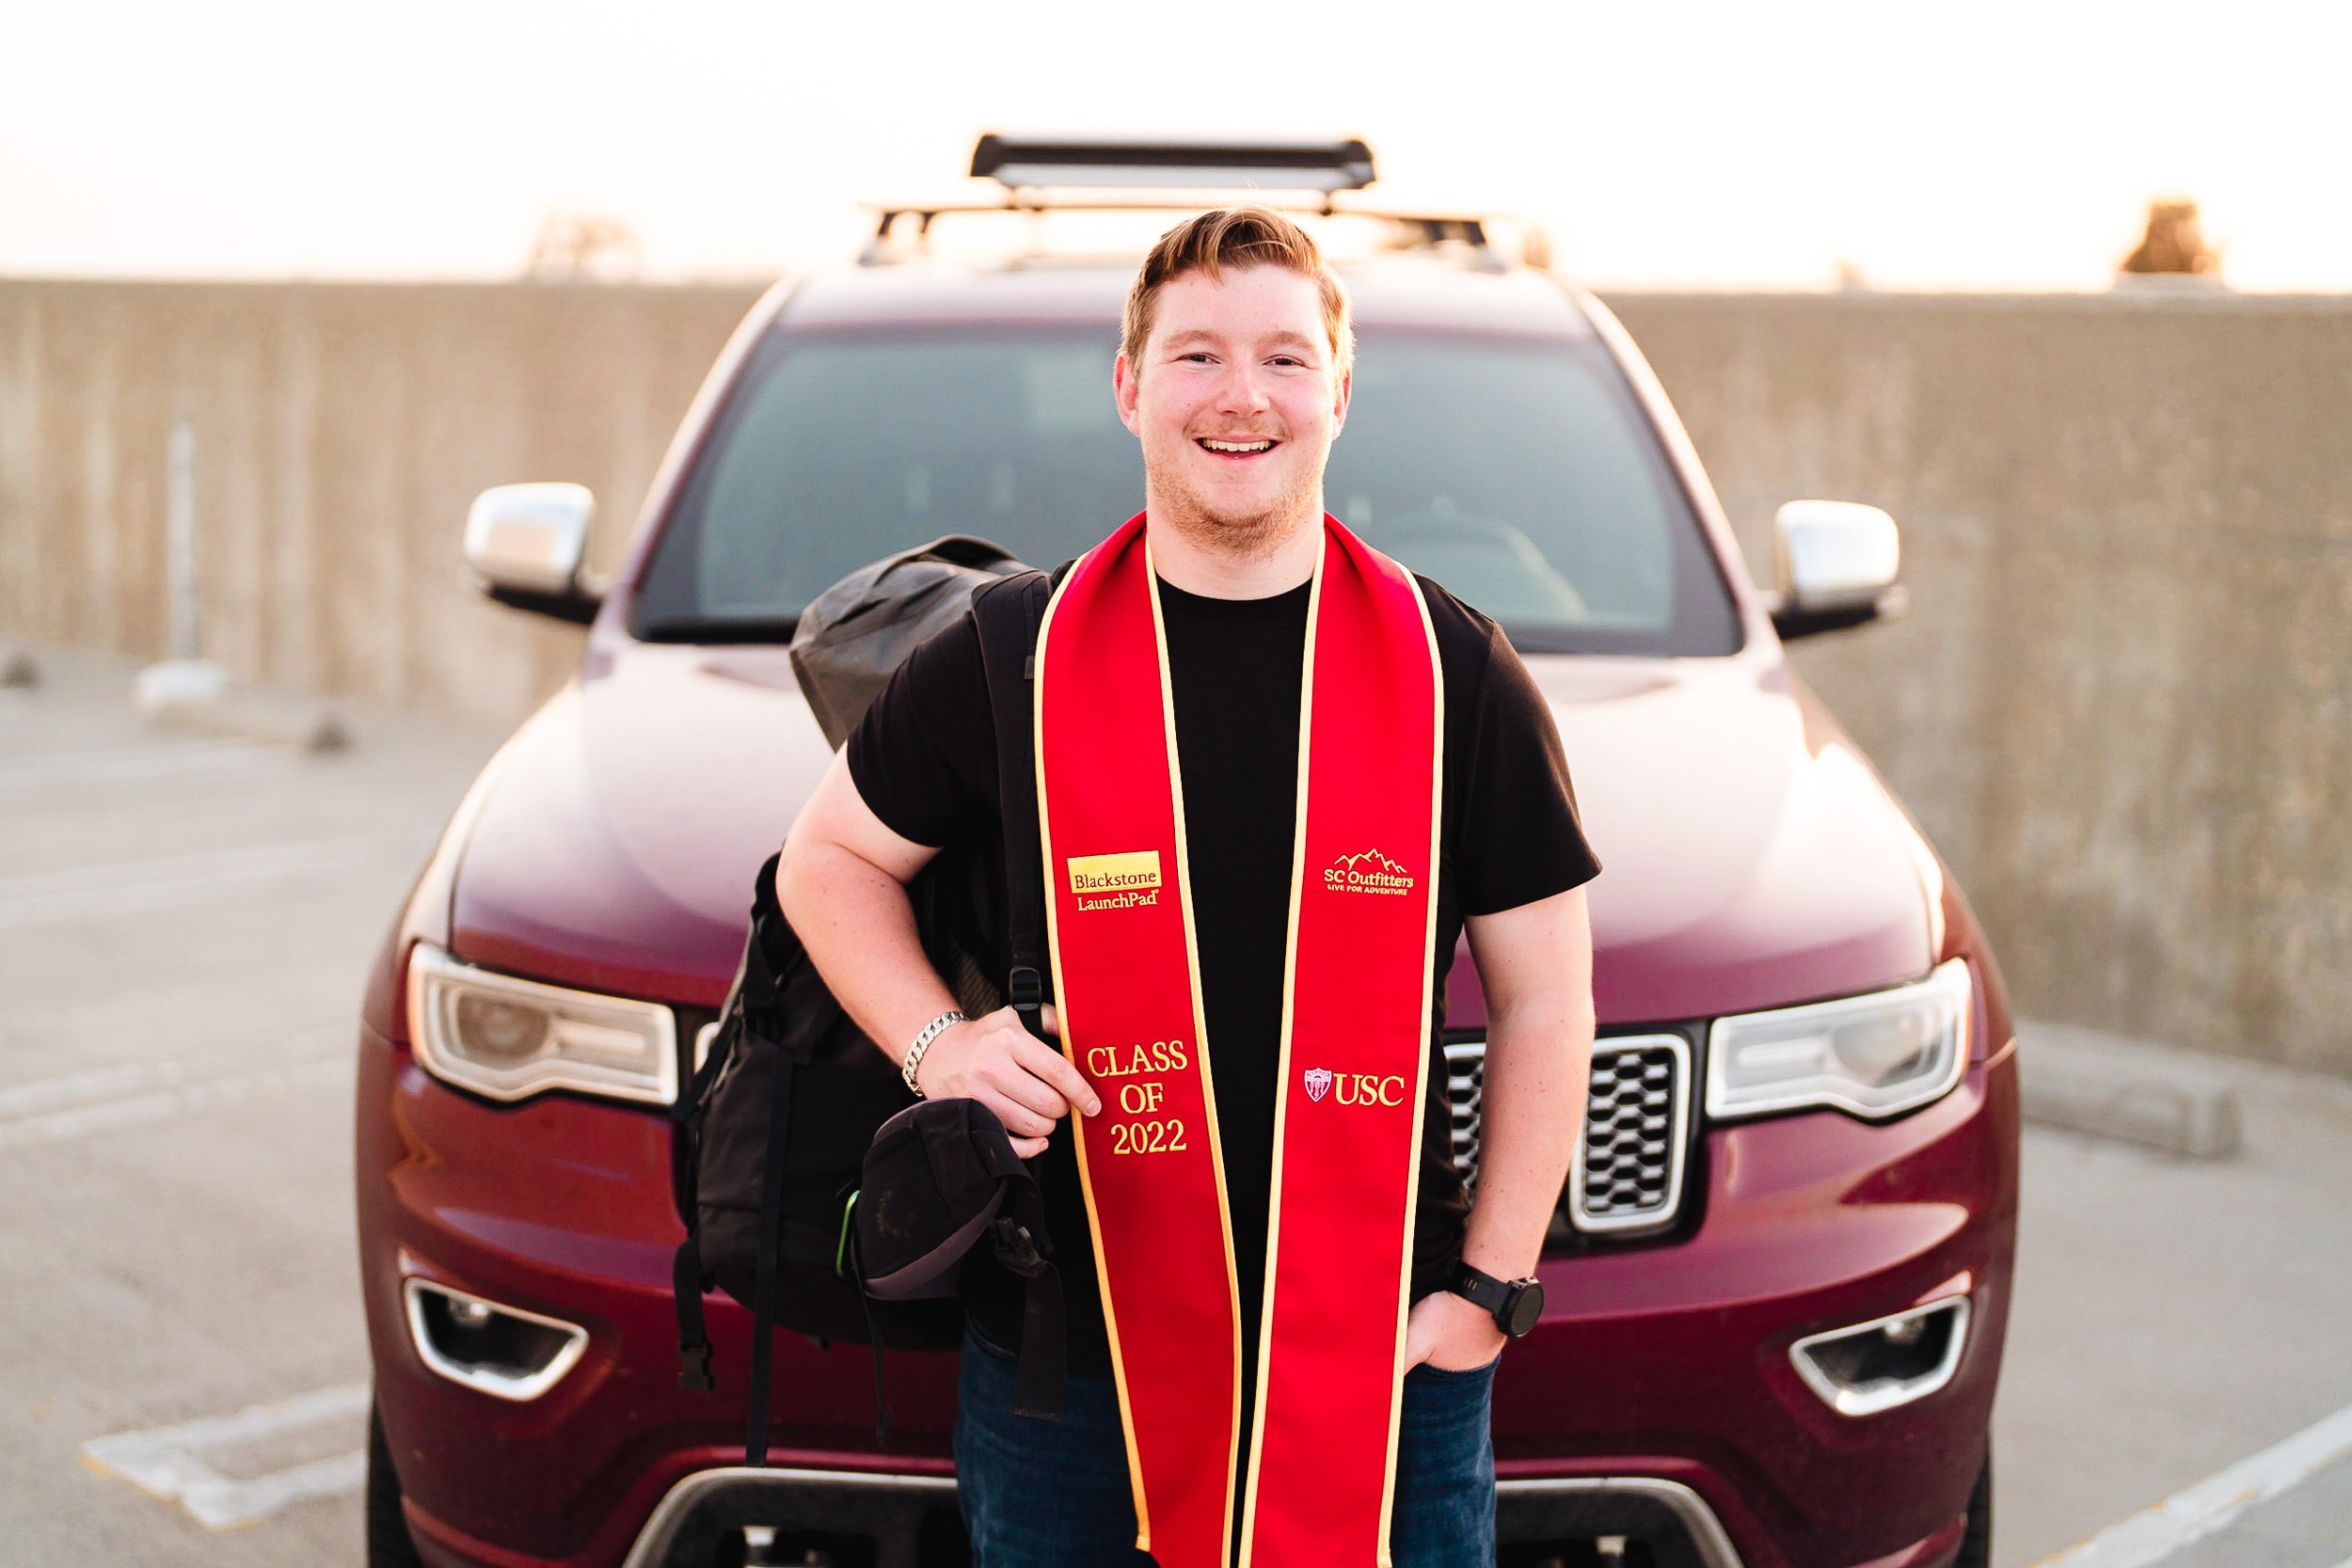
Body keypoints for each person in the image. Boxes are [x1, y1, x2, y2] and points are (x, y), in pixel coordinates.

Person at [777, 207, 1600, 1568]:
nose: (1241, 396)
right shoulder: (1005, 658)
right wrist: (940, 1046)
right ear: (1130, 388)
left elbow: (1549, 1000)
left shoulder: (1455, 669)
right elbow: (830, 859)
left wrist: (1489, 1293)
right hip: (1071, 1371)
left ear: (1338, 391)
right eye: (1197, 355)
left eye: (1285, 358)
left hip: (1385, 1361)